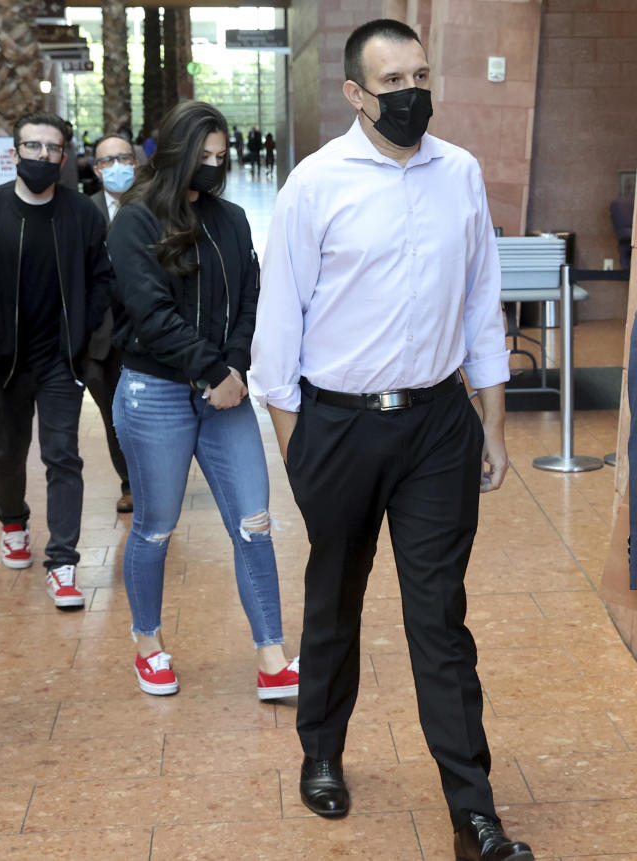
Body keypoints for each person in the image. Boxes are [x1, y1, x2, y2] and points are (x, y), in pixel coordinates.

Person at [249, 19, 534, 861]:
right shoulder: (316, 182)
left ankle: (473, 814)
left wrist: (493, 420)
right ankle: (323, 752)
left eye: (421, 74)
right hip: (336, 422)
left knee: (439, 615)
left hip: (440, 424)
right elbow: (278, 330)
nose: (414, 92)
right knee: (334, 596)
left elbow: (483, 300)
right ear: (355, 93)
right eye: (394, 80)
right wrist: (297, 446)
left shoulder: (462, 175)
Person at [107, 101, 299, 700]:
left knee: (255, 523)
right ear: (175, 153)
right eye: (203, 157)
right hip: (156, 393)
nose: (214, 167)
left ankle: (272, 658)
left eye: (221, 157)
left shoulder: (233, 218)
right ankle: (148, 643)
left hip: (225, 392)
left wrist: (234, 368)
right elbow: (151, 314)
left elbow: (251, 299)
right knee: (156, 528)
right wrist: (212, 370)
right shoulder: (134, 221)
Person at [0, 111, 112, 609]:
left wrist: (84, 332)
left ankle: (64, 562)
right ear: (15, 153)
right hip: (4, 360)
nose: (42, 157)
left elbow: (101, 277)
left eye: (52, 149)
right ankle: (13, 521)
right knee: (7, 451)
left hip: (58, 360)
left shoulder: (82, 214)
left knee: (62, 455)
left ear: (64, 157)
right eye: (33, 147)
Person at [87, 134, 140, 512]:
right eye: (107, 161)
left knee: (150, 412)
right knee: (113, 417)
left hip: (148, 332)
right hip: (99, 336)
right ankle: (130, 484)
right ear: (96, 169)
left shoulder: (154, 208)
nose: (116, 167)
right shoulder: (84, 211)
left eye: (123, 158)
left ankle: (156, 479)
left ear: (136, 163)